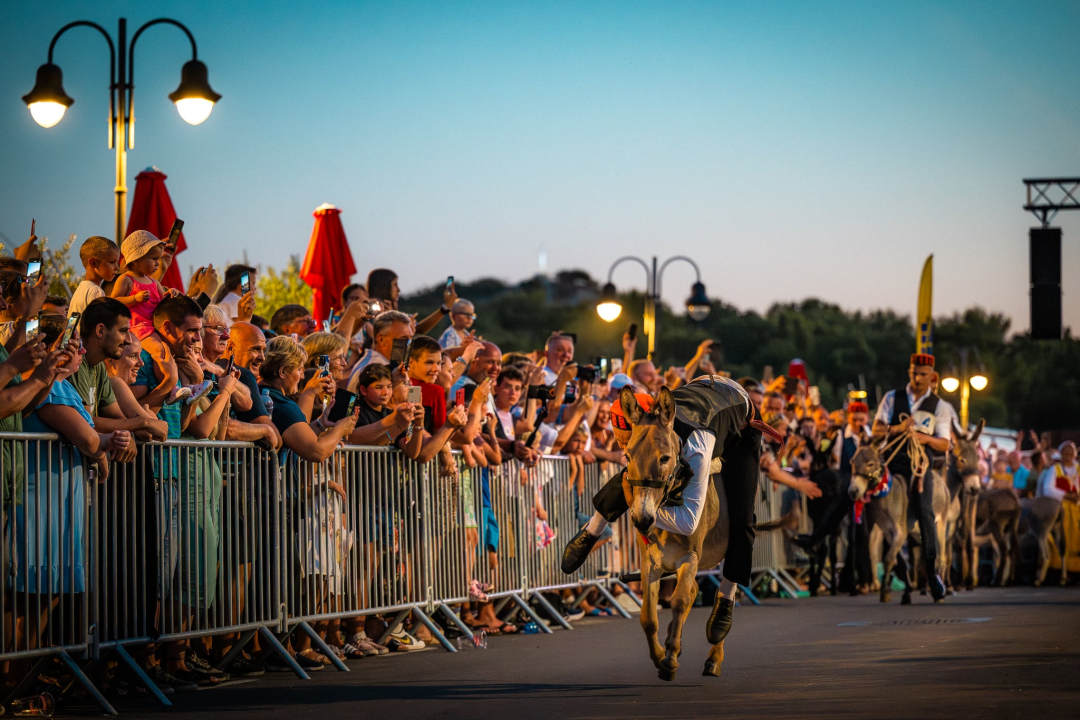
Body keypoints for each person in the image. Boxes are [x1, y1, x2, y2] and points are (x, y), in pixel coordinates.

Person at [562, 376, 774, 645]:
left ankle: (726, 596)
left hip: (741, 424)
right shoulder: (651, 420)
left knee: (743, 516)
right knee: (634, 472)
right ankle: (591, 531)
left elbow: (687, 523)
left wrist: (640, 508)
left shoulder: (697, 446)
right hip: (702, 391)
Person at [871, 353, 951, 602]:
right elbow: (876, 430)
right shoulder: (892, 397)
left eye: (923, 374)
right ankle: (895, 570)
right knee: (875, 507)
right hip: (892, 465)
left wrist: (923, 438)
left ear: (932, 377)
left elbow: (944, 443)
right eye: (914, 373)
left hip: (919, 467)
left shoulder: (940, 406)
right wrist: (899, 429)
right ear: (909, 372)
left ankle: (931, 572)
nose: (918, 378)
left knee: (924, 509)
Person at [71, 298, 167, 448]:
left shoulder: (98, 367)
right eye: (123, 331)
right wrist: (143, 421)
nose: (128, 340)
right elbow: (86, 421)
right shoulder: (76, 362)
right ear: (100, 331)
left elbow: (121, 419)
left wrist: (129, 434)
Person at [345, 310, 414, 392]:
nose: (408, 345)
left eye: (410, 339)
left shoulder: (383, 364)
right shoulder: (375, 370)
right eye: (403, 339)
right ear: (381, 340)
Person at [69, 236, 120, 318]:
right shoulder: (96, 291)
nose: (117, 267)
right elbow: (99, 323)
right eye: (112, 262)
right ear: (93, 263)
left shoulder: (80, 290)